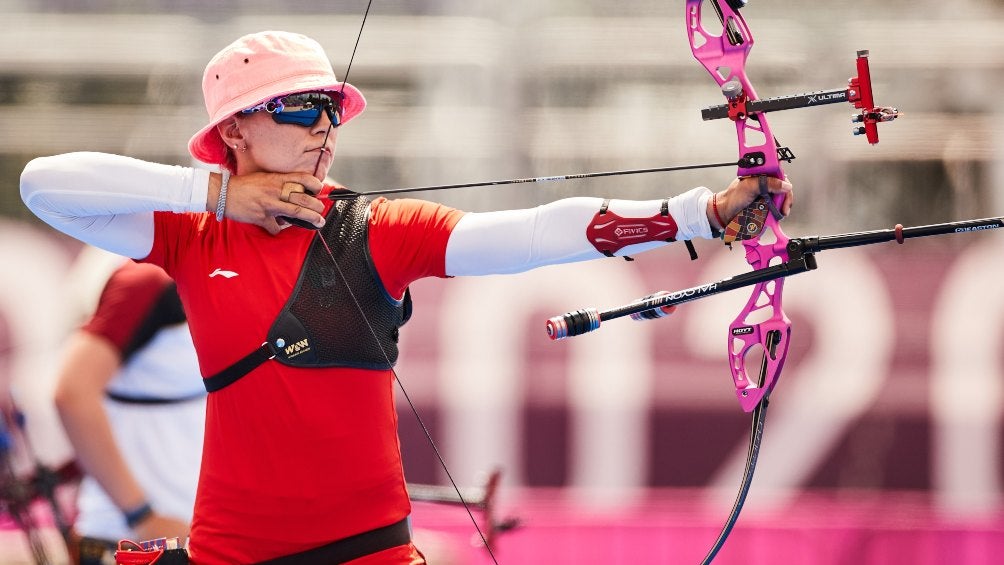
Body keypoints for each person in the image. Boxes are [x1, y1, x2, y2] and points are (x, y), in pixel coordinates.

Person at [20, 30, 793, 564]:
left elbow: (529, 233)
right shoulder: (193, 236)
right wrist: (215, 195)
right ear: (236, 130)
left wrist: (700, 213)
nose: (324, 124)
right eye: (298, 106)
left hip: (371, 548)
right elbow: (44, 185)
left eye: (330, 106)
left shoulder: (375, 229)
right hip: (233, 552)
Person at [53, 259, 204, 564]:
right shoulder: (147, 280)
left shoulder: (224, 271)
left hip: (194, 532)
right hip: (137, 540)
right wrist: (142, 515)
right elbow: (72, 394)